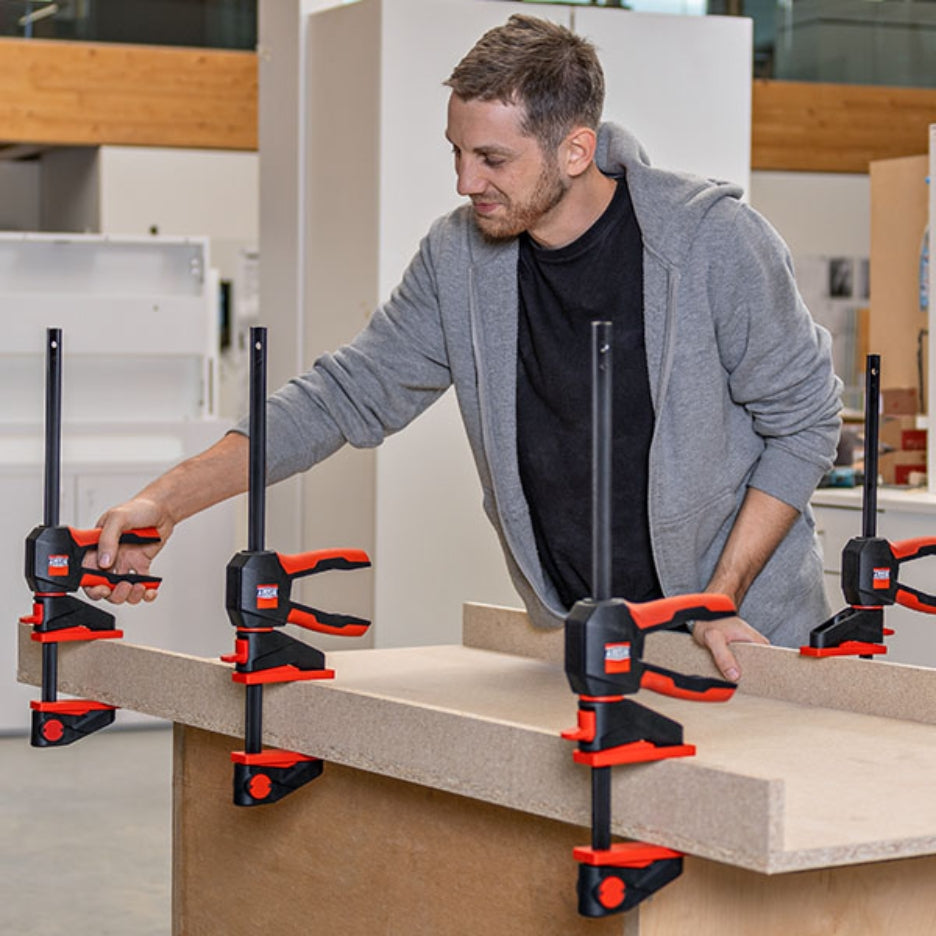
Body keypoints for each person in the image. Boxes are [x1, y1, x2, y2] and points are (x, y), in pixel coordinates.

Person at [85, 14, 842, 683]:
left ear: (575, 149)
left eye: (491, 159)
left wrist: (720, 598)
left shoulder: (712, 242)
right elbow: (345, 395)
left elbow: (805, 424)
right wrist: (166, 502)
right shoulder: (460, 260)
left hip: (743, 639)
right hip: (595, 639)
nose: (463, 181)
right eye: (455, 152)